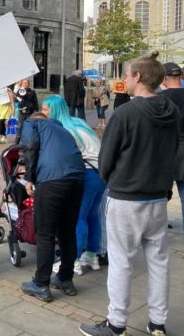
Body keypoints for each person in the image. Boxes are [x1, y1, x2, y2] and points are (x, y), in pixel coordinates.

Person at [80, 52, 180, 336]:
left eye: (126, 74)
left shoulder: (126, 113)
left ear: (137, 77)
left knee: (122, 261)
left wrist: (111, 179)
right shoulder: (172, 111)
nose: (124, 79)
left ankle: (116, 324)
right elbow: (173, 150)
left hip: (126, 197)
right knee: (159, 261)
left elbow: (106, 158)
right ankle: (157, 322)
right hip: (158, 197)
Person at [19, 112, 86, 303]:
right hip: (77, 178)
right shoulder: (60, 128)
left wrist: (29, 178)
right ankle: (65, 278)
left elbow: (29, 147)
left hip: (52, 179)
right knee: (67, 230)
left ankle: (41, 284)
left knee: (45, 232)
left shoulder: (32, 124)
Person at [42, 95, 104, 277]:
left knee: (78, 217)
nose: (43, 113)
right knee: (93, 216)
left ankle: (74, 260)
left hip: (88, 174)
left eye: (46, 109)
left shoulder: (63, 129)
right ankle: (92, 255)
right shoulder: (78, 123)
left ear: (54, 110)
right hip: (101, 173)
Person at [159, 62, 184, 249]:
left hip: (164, 149)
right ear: (180, 77)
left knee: (160, 193)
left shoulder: (159, 98)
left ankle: (158, 228)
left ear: (164, 78)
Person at [14, 79, 39, 144]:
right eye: (24, 83)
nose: (25, 84)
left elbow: (35, 101)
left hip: (30, 112)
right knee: (20, 126)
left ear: (29, 84)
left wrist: (37, 109)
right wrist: (20, 93)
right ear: (21, 84)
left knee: (29, 126)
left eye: (27, 83)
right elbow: (16, 100)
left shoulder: (32, 92)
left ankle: (28, 141)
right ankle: (16, 142)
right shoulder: (19, 91)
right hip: (22, 112)